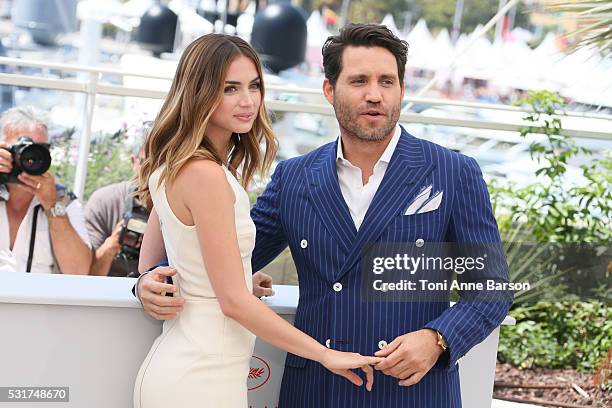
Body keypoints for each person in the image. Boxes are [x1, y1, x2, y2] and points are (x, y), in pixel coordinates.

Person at [138, 24, 513, 407]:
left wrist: (437, 339)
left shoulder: (453, 173)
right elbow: (213, 257)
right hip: (317, 390)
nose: (374, 95)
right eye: (359, 81)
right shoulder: (295, 178)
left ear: (401, 89)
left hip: (412, 391)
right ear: (329, 91)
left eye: (387, 81)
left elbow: (491, 290)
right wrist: (147, 281)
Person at [132, 33, 381, 408]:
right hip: (201, 375)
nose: (248, 101)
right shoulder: (205, 174)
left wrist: (238, 276)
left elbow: (154, 265)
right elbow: (231, 302)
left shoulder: (178, 165)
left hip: (190, 366)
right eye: (230, 88)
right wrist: (325, 354)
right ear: (198, 92)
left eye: (254, 86)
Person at [0, 106, 92, 274]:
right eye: (20, 148)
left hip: (35, 299)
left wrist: (52, 205)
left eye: (38, 149)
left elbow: (79, 271)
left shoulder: (62, 198)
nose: (29, 157)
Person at [85, 139, 149, 277]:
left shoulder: (179, 205)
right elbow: (83, 276)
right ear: (134, 161)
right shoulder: (104, 201)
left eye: (161, 163)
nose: (152, 172)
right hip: (105, 294)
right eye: (146, 163)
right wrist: (113, 244)